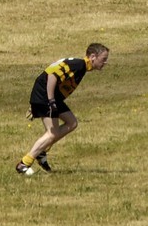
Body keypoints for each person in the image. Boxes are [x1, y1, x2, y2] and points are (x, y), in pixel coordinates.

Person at [13, 43, 109, 177]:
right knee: (52, 133)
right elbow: (52, 76)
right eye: (103, 59)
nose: (105, 62)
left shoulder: (81, 67)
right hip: (46, 95)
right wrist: (50, 100)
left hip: (51, 96)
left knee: (72, 123)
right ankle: (24, 163)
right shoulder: (78, 65)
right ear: (93, 57)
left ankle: (42, 151)